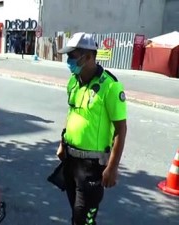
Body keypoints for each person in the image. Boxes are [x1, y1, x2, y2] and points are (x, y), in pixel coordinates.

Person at [56, 32, 127, 225]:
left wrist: (112, 168)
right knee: (78, 216)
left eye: (72, 55)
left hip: (92, 168)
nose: (68, 60)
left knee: (82, 218)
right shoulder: (73, 81)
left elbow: (121, 129)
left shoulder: (111, 87)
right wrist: (63, 142)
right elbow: (72, 114)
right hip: (71, 163)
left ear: (88, 57)